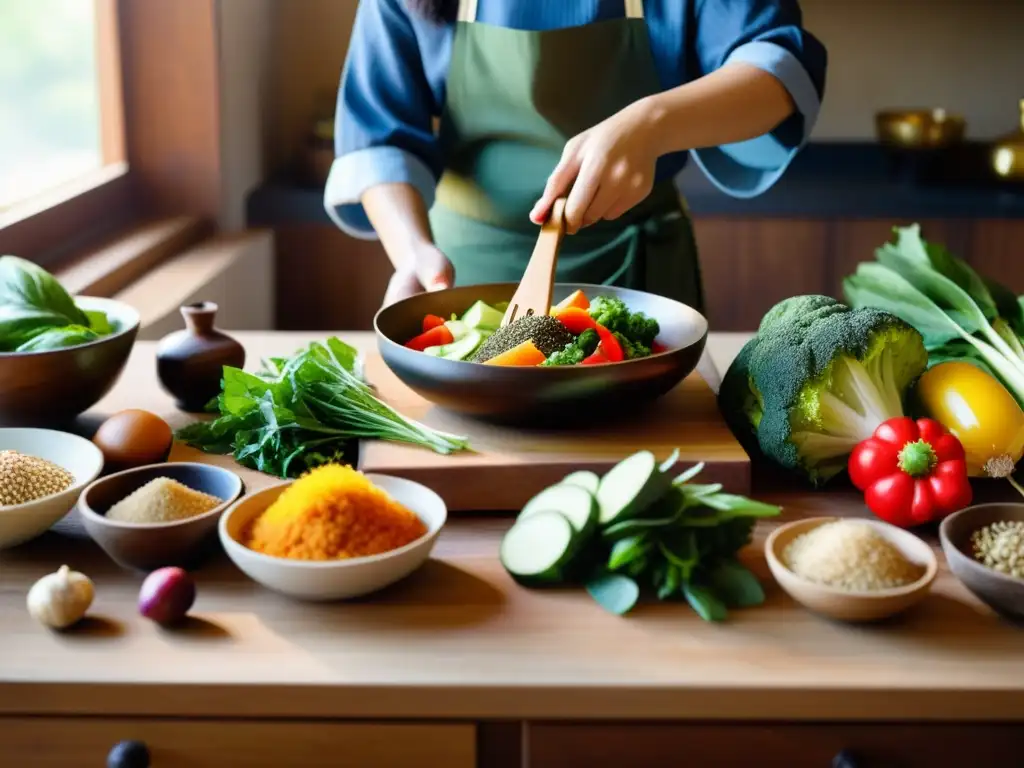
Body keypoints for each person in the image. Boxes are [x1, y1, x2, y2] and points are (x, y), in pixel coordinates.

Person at [326, 0, 827, 312]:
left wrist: (652, 123)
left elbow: (778, 69)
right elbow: (378, 140)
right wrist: (414, 253)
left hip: (640, 283)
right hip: (463, 281)